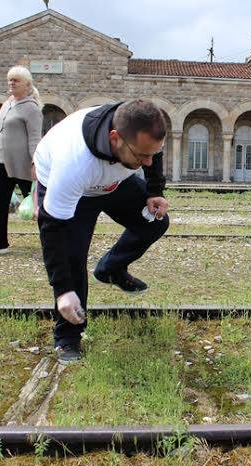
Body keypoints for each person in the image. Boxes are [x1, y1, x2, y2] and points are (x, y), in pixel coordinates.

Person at [34, 99, 169, 364]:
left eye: (152, 153)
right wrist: (62, 290)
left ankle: (110, 269)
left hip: (112, 182)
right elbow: (52, 231)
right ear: (114, 138)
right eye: (142, 156)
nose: (148, 161)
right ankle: (68, 337)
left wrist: (154, 190)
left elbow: (152, 153)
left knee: (155, 221)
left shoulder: (139, 131)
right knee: (72, 259)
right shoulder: (73, 163)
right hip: (77, 191)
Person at [0, 65, 43, 256]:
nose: (11, 83)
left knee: (39, 207)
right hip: (2, 164)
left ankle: (55, 242)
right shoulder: (6, 103)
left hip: (24, 166)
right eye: (9, 79)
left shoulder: (31, 108)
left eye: (15, 80)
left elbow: (35, 137)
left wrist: (35, 163)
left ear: (26, 85)